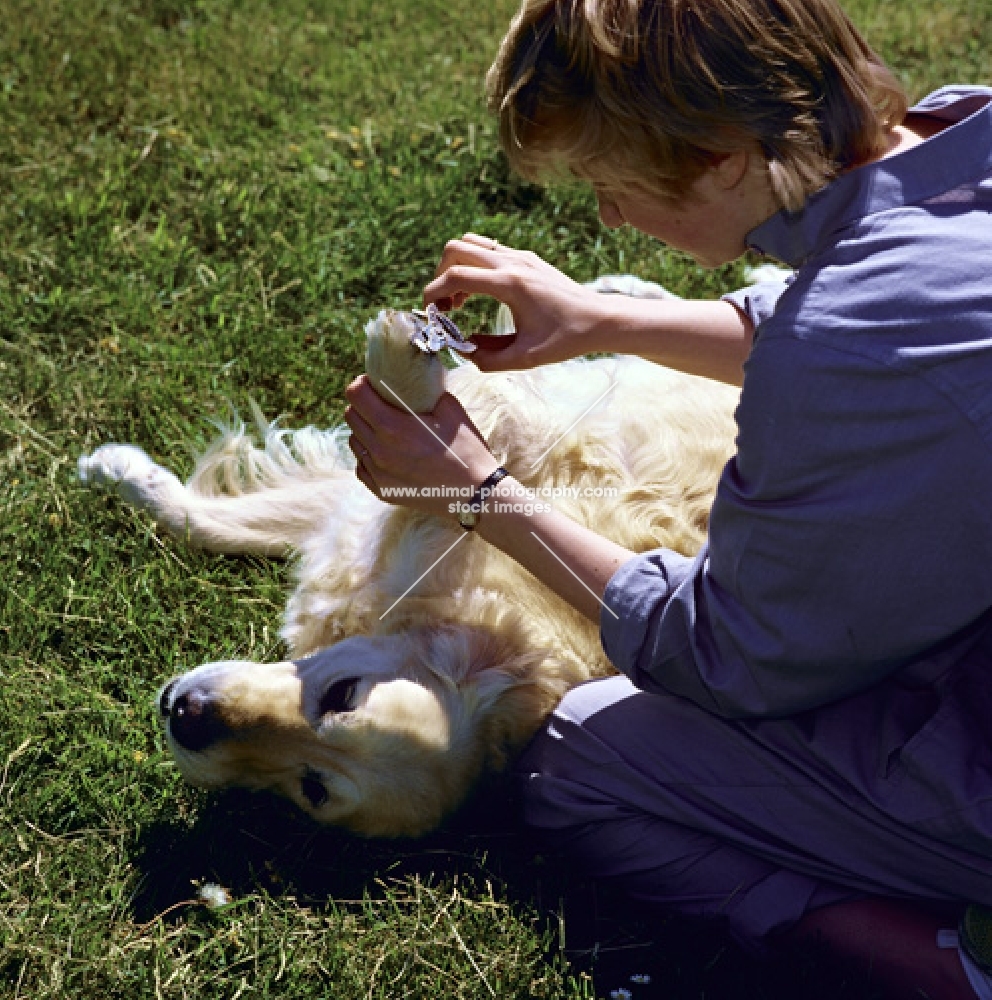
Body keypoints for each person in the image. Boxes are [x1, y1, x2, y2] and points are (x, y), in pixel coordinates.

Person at [342, 0, 992, 995]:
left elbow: (729, 654)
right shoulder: (958, 142)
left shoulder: (845, 343)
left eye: (610, 183)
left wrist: (470, 491)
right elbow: (888, 318)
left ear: (722, 158)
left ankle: (945, 970)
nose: (605, 215)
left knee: (580, 754)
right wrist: (604, 318)